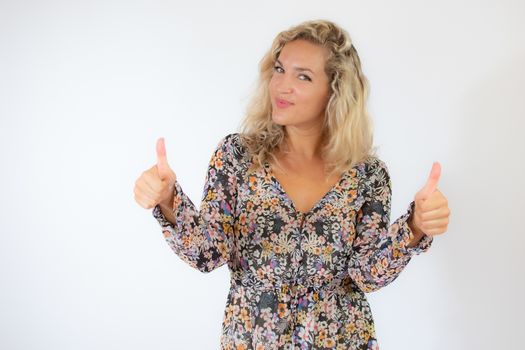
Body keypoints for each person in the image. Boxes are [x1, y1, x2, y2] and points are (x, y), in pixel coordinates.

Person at [134, 19, 450, 350]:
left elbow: (367, 275)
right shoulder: (238, 158)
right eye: (280, 69)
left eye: (303, 76)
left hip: (341, 340)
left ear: (335, 90)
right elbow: (208, 254)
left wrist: (414, 226)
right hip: (255, 340)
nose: (281, 85)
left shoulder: (367, 175)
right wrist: (168, 199)